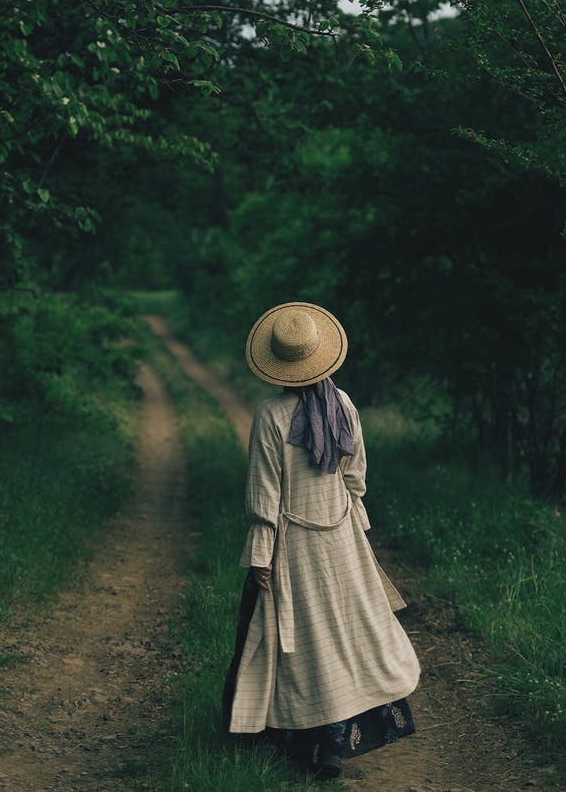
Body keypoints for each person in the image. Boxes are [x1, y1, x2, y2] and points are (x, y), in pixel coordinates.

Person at [222, 301, 420, 781]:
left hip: (293, 542)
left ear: (278, 365)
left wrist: (260, 554)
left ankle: (302, 735)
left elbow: (265, 494)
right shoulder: (343, 404)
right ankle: (337, 737)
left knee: (303, 637)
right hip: (341, 537)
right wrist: (352, 529)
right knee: (347, 630)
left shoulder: (271, 416)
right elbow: (356, 479)